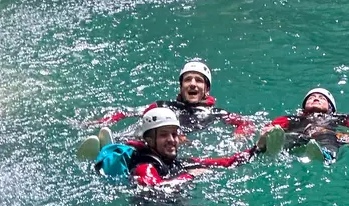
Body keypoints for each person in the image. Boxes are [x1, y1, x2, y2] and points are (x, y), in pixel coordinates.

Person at [95, 108, 251, 206]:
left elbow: (226, 163)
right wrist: (189, 176)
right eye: (164, 135)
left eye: (174, 134)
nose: (171, 139)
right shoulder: (145, 167)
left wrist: (257, 149)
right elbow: (154, 189)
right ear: (149, 141)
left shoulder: (177, 163)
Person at [77, 59, 254, 160]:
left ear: (206, 90)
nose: (193, 84)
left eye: (199, 80)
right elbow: (127, 113)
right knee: (144, 130)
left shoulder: (215, 114)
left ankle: (112, 151)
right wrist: (101, 122)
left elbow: (245, 122)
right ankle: (113, 146)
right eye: (187, 80)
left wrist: (240, 134)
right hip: (151, 135)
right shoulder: (163, 105)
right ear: (181, 87)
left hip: (169, 143)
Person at [256, 87, 349, 163]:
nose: (316, 99)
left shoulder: (339, 118)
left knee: (329, 136)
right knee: (289, 135)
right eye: (311, 98)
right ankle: (269, 146)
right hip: (300, 136)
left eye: (321, 98)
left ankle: (327, 155)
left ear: (330, 107)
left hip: (326, 137)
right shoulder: (292, 119)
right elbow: (273, 125)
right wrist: (267, 131)